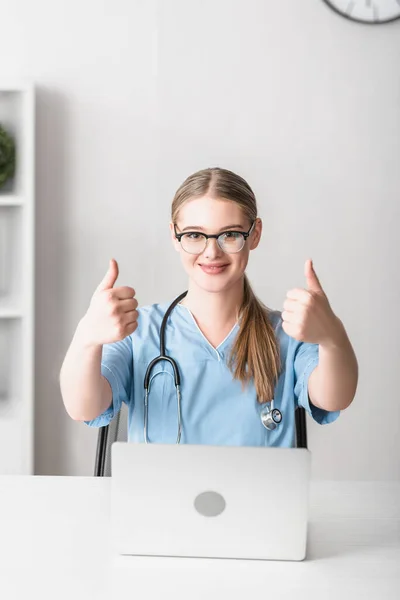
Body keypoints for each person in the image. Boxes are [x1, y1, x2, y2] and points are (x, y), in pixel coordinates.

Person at [60, 167, 358, 447]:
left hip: (262, 500)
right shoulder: (139, 331)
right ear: (175, 236)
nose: (211, 251)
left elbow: (333, 398)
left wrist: (332, 338)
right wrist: (86, 338)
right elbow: (83, 407)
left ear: (254, 234)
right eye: (194, 235)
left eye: (229, 234)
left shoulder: (288, 333)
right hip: (161, 500)